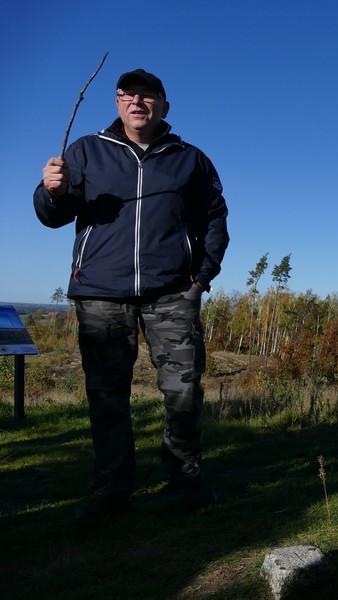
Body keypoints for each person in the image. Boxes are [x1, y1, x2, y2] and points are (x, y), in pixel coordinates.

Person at [34, 69, 229, 520]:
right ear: (118, 103)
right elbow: (51, 214)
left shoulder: (190, 159)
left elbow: (215, 220)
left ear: (164, 105)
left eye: (146, 95)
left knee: (183, 390)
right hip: (101, 293)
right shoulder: (86, 151)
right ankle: (111, 490)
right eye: (127, 95)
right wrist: (51, 191)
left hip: (172, 293)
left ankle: (184, 477)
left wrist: (200, 278)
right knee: (107, 397)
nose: (136, 102)